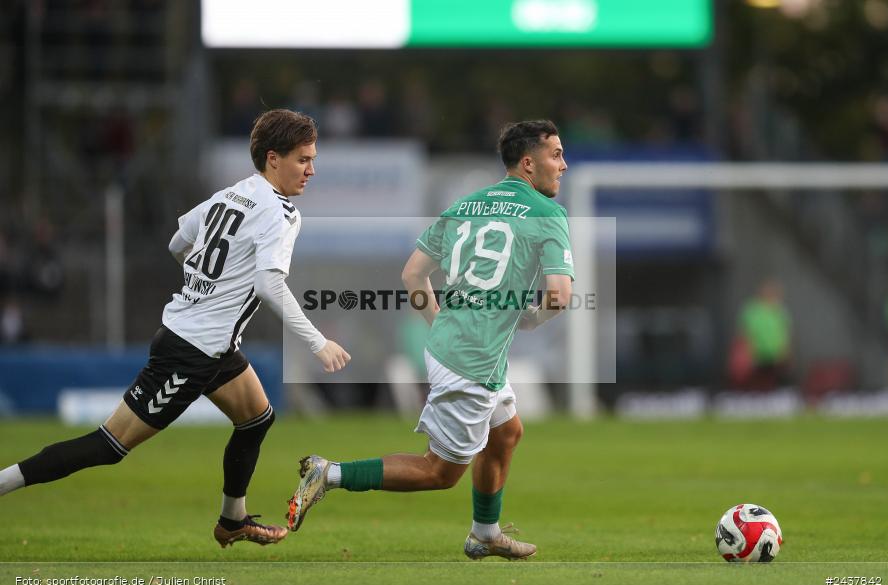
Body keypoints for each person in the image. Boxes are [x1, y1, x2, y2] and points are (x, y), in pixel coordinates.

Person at [0, 109, 351, 548]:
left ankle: (232, 519)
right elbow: (268, 283)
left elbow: (177, 242)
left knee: (257, 418)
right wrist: (318, 342)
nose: (311, 170)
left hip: (209, 344)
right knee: (108, 447)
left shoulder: (231, 195)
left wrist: (202, 287)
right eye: (303, 159)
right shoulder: (281, 212)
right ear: (273, 159)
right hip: (191, 351)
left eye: (313, 159)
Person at [286, 120, 574, 560]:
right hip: (472, 358)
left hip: (455, 344)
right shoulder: (547, 213)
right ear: (529, 163)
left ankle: (485, 532)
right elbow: (559, 294)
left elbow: (412, 274)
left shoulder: (467, 204)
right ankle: (329, 473)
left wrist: (439, 320)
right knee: (438, 471)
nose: (564, 165)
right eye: (556, 155)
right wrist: (532, 319)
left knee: (506, 433)